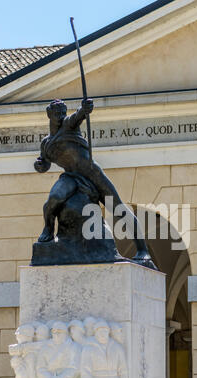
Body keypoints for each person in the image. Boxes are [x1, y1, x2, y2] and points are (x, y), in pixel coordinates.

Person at [34, 98, 154, 267]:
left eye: (62, 112)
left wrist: (84, 109)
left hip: (91, 173)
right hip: (70, 176)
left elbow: (77, 116)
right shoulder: (46, 144)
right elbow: (44, 162)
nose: (60, 116)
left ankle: (143, 250)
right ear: (49, 114)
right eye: (56, 113)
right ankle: (48, 229)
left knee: (118, 208)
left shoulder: (69, 126)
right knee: (52, 201)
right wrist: (39, 165)